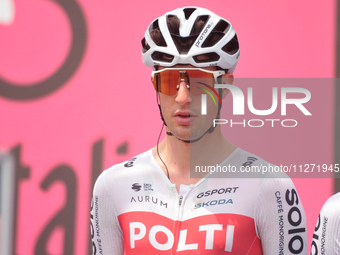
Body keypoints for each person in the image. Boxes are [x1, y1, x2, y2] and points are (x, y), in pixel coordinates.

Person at [90, 6, 308, 254]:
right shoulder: (114, 185)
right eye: (170, 81)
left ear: (225, 86)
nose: (183, 97)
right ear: (155, 86)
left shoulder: (269, 186)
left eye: (199, 81)